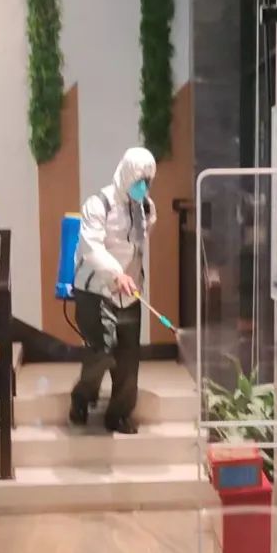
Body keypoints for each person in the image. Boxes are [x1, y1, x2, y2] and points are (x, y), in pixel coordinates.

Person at [70, 147, 157, 434]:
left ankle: (118, 414)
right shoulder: (98, 205)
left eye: (147, 180)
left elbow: (139, 241)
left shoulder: (144, 207)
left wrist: (130, 278)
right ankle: (82, 398)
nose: (143, 186)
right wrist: (115, 273)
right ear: (126, 174)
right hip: (95, 289)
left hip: (129, 292)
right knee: (103, 351)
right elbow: (90, 247)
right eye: (139, 179)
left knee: (129, 358)